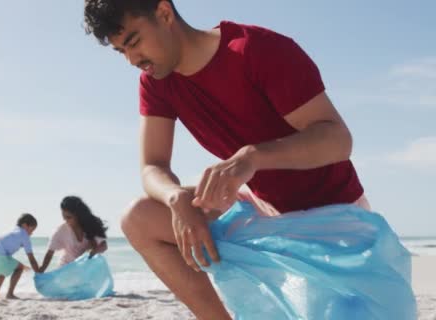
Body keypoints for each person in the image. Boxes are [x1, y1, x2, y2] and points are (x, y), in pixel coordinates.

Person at [83, 1, 370, 319]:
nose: (133, 59)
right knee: (138, 217)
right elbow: (152, 166)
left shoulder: (256, 49)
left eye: (134, 41)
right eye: (121, 51)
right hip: (262, 214)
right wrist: (175, 197)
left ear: (164, 14)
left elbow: (338, 140)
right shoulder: (157, 82)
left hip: (334, 219)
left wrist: (254, 156)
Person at [39, 196, 108, 272]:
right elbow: (50, 253)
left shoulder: (90, 225)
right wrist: (41, 270)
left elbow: (103, 245)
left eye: (69, 217)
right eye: (64, 217)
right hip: (66, 269)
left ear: (78, 215)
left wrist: (93, 252)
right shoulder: (62, 230)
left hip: (84, 269)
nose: (66, 220)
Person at [0, 213, 41, 299]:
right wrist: (38, 273)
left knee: (4, 269)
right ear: (24, 225)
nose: (32, 233)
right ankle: (10, 294)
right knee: (19, 268)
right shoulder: (24, 235)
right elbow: (31, 258)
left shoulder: (12, 230)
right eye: (31, 229)